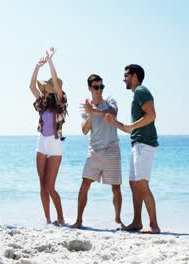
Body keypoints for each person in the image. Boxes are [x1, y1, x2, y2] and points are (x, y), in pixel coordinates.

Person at [105, 64, 161, 234]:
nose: (124, 79)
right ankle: (137, 222)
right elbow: (130, 128)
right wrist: (115, 123)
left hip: (145, 144)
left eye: (126, 75)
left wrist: (130, 126)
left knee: (142, 185)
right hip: (137, 143)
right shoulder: (137, 94)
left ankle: (154, 225)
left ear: (135, 76)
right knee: (134, 184)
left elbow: (151, 115)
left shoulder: (141, 91)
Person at [71, 74, 123, 229]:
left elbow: (112, 115)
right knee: (85, 183)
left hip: (112, 148)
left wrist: (93, 111)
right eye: (96, 87)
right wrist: (89, 114)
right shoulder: (85, 106)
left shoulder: (110, 101)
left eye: (101, 86)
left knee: (116, 187)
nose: (99, 90)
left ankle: (118, 220)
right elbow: (84, 131)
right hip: (94, 150)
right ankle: (79, 221)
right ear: (90, 88)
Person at [29, 47, 67, 225]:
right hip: (41, 143)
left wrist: (50, 61)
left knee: (50, 186)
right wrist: (37, 66)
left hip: (55, 145)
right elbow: (31, 86)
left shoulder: (60, 101)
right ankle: (47, 218)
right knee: (42, 185)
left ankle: (60, 217)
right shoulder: (42, 103)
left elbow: (58, 87)